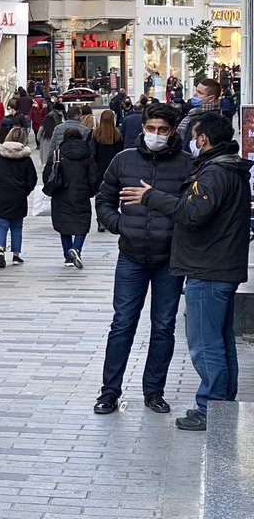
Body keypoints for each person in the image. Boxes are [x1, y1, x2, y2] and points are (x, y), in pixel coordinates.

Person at [122, 114, 252, 430]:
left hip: (208, 269)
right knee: (220, 341)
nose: (192, 141)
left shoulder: (215, 174)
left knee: (205, 343)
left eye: (194, 136)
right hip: (218, 266)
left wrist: (150, 196)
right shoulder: (226, 169)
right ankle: (222, 404)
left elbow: (192, 212)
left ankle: (210, 407)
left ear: (203, 139)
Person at [93, 103, 193, 417]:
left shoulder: (187, 165)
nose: (156, 135)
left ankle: (154, 391)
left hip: (169, 258)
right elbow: (104, 198)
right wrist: (118, 224)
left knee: (163, 327)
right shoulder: (124, 161)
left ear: (173, 131)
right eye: (151, 129)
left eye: (163, 130)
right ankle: (109, 392)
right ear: (143, 128)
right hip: (131, 255)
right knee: (122, 324)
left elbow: (192, 208)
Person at [43, 126, 97, 268]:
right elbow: (93, 176)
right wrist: (90, 191)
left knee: (63, 223)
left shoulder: (57, 153)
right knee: (83, 222)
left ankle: (68, 256)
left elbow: (46, 174)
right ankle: (76, 248)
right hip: (81, 192)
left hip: (61, 192)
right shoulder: (87, 153)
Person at [0, 126, 38, 268]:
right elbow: (32, 178)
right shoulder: (25, 159)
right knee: (17, 226)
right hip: (18, 195)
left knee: (1, 225)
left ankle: (0, 250)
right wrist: (25, 190)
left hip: (0, 195)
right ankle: (16, 254)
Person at [89, 110, 124, 229]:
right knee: (113, 195)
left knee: (100, 196)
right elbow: (120, 153)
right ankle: (110, 218)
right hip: (113, 170)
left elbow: (92, 153)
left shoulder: (95, 134)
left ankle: (100, 219)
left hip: (99, 170)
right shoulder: (118, 135)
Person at [176, 77, 221, 145]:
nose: (195, 94)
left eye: (200, 93)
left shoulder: (209, 120)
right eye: (196, 91)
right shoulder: (193, 113)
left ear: (211, 98)